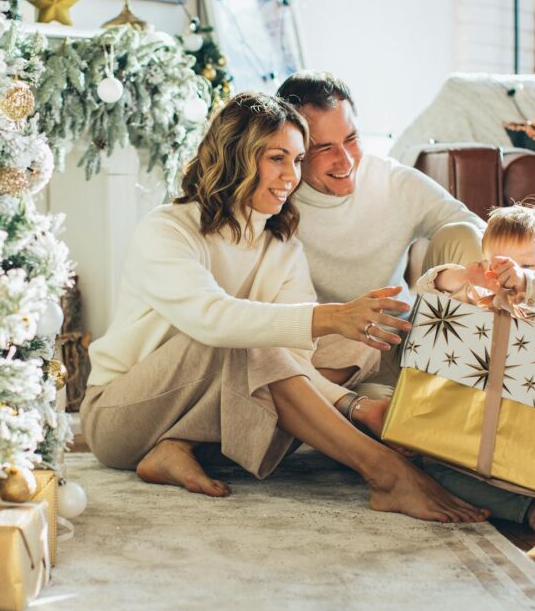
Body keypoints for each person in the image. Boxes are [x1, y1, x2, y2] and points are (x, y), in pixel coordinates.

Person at [80, 92, 488, 524]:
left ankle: (181, 447)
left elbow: (292, 363)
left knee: (361, 341)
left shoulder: (282, 246)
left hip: (198, 404)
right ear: (236, 154)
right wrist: (332, 320)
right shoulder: (168, 229)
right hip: (120, 414)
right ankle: (385, 473)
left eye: (296, 160)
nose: (290, 176)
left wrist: (354, 406)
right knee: (255, 339)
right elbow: (213, 320)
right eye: (277, 158)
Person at [276, 71, 485, 398]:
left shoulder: (390, 180)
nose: (345, 160)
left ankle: (459, 384)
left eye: (351, 139)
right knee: (386, 412)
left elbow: (471, 226)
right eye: (324, 148)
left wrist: (453, 281)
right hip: (330, 356)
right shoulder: (274, 199)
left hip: (403, 342)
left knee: (463, 235)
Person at [413, 202, 535, 532]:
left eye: (526, 264)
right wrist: (462, 277)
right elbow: (427, 291)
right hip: (482, 437)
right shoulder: (481, 306)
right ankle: (519, 507)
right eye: (497, 268)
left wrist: (528, 282)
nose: (508, 277)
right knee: (431, 470)